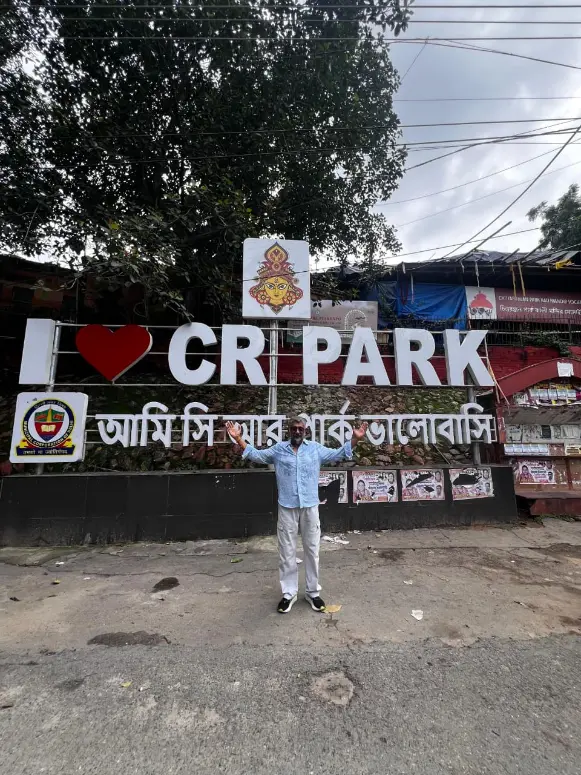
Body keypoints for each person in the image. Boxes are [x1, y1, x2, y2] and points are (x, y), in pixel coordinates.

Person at [225, 417, 368, 614]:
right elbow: (257, 455)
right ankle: (289, 594)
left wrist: (355, 439)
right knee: (287, 552)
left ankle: (312, 592)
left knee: (312, 550)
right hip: (287, 507)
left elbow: (338, 453)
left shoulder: (315, 449)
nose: (297, 431)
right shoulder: (278, 450)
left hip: (310, 506)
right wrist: (239, 438)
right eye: (294, 428)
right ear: (289, 431)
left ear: (306, 431)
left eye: (301, 428)